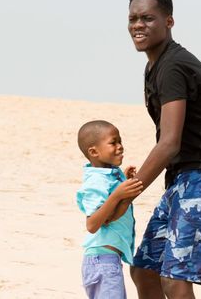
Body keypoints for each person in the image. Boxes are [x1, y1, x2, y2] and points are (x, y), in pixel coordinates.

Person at [125, 0, 201, 299]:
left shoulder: (174, 66)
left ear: (169, 22)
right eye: (133, 18)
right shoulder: (155, 66)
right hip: (183, 176)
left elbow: (169, 144)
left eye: (148, 18)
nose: (138, 25)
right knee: (144, 271)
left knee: (175, 279)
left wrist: (126, 194)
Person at [76, 120, 143, 299]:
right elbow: (92, 224)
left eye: (120, 141)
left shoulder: (110, 175)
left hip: (108, 261)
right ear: (94, 152)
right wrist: (118, 194)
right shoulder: (95, 181)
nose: (120, 147)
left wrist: (123, 180)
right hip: (102, 261)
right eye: (113, 142)